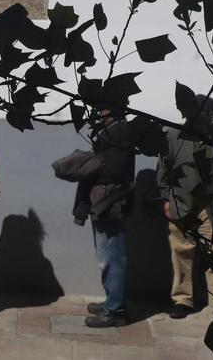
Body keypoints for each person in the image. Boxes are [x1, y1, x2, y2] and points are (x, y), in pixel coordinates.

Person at [51, 109, 135, 328]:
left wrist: (89, 167)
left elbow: (115, 171)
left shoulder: (120, 133)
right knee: (107, 257)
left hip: (110, 204)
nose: (97, 112)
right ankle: (112, 302)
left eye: (102, 107)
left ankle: (115, 311)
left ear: (112, 109)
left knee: (112, 259)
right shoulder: (112, 132)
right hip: (104, 203)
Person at [157, 95, 213, 321]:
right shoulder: (173, 136)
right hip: (181, 203)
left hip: (212, 206)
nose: (204, 120)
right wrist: (166, 199)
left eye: (208, 115)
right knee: (181, 253)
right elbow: (163, 169)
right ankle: (182, 300)